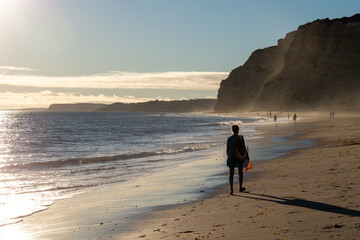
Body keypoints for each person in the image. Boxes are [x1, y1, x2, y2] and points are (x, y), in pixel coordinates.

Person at [226, 125, 248, 195]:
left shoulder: (229, 139)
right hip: (239, 156)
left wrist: (229, 156)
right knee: (240, 172)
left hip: (231, 157)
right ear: (238, 130)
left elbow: (227, 149)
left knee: (231, 174)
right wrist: (247, 156)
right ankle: (240, 188)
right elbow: (244, 147)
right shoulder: (241, 137)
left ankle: (231, 190)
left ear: (232, 130)